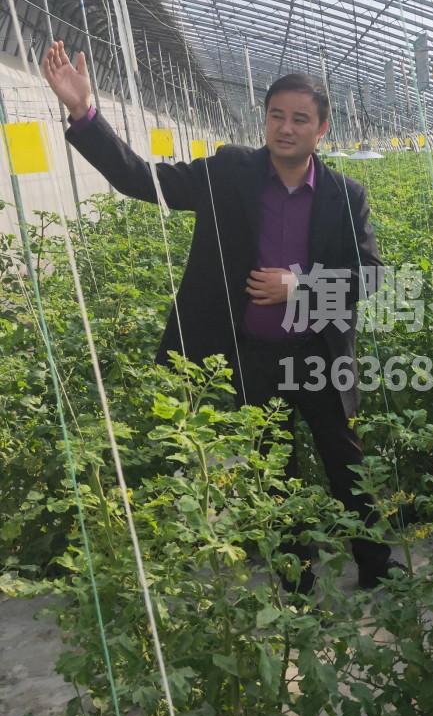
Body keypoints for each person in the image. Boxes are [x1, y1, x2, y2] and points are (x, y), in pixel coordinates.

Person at [42, 39, 399, 591]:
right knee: (274, 470)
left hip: (319, 355)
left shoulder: (344, 194)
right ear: (265, 120)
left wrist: (300, 284)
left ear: (321, 130)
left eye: (299, 119)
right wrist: (84, 112)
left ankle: (376, 566)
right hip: (251, 354)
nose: (285, 127)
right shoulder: (230, 171)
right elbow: (142, 180)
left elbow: (369, 275)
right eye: (276, 115)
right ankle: (296, 578)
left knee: (346, 461)